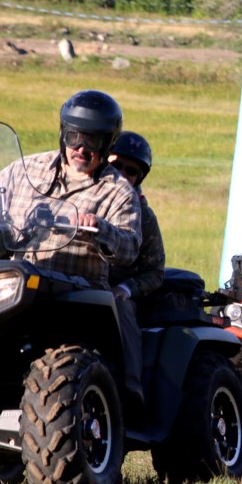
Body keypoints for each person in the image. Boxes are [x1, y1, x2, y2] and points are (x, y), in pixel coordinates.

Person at [0, 90, 143, 401]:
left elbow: (130, 248)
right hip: (16, 279)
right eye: (74, 136)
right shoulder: (26, 168)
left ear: (106, 144)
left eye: (91, 141)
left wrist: (100, 228)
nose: (80, 148)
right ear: (63, 133)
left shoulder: (118, 191)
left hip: (76, 293)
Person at [107, 132, 166, 409]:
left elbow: (155, 272)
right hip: (74, 279)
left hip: (115, 289)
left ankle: (132, 390)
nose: (122, 174)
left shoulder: (144, 215)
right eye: (116, 165)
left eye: (131, 171)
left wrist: (126, 289)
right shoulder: (77, 196)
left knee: (119, 307)